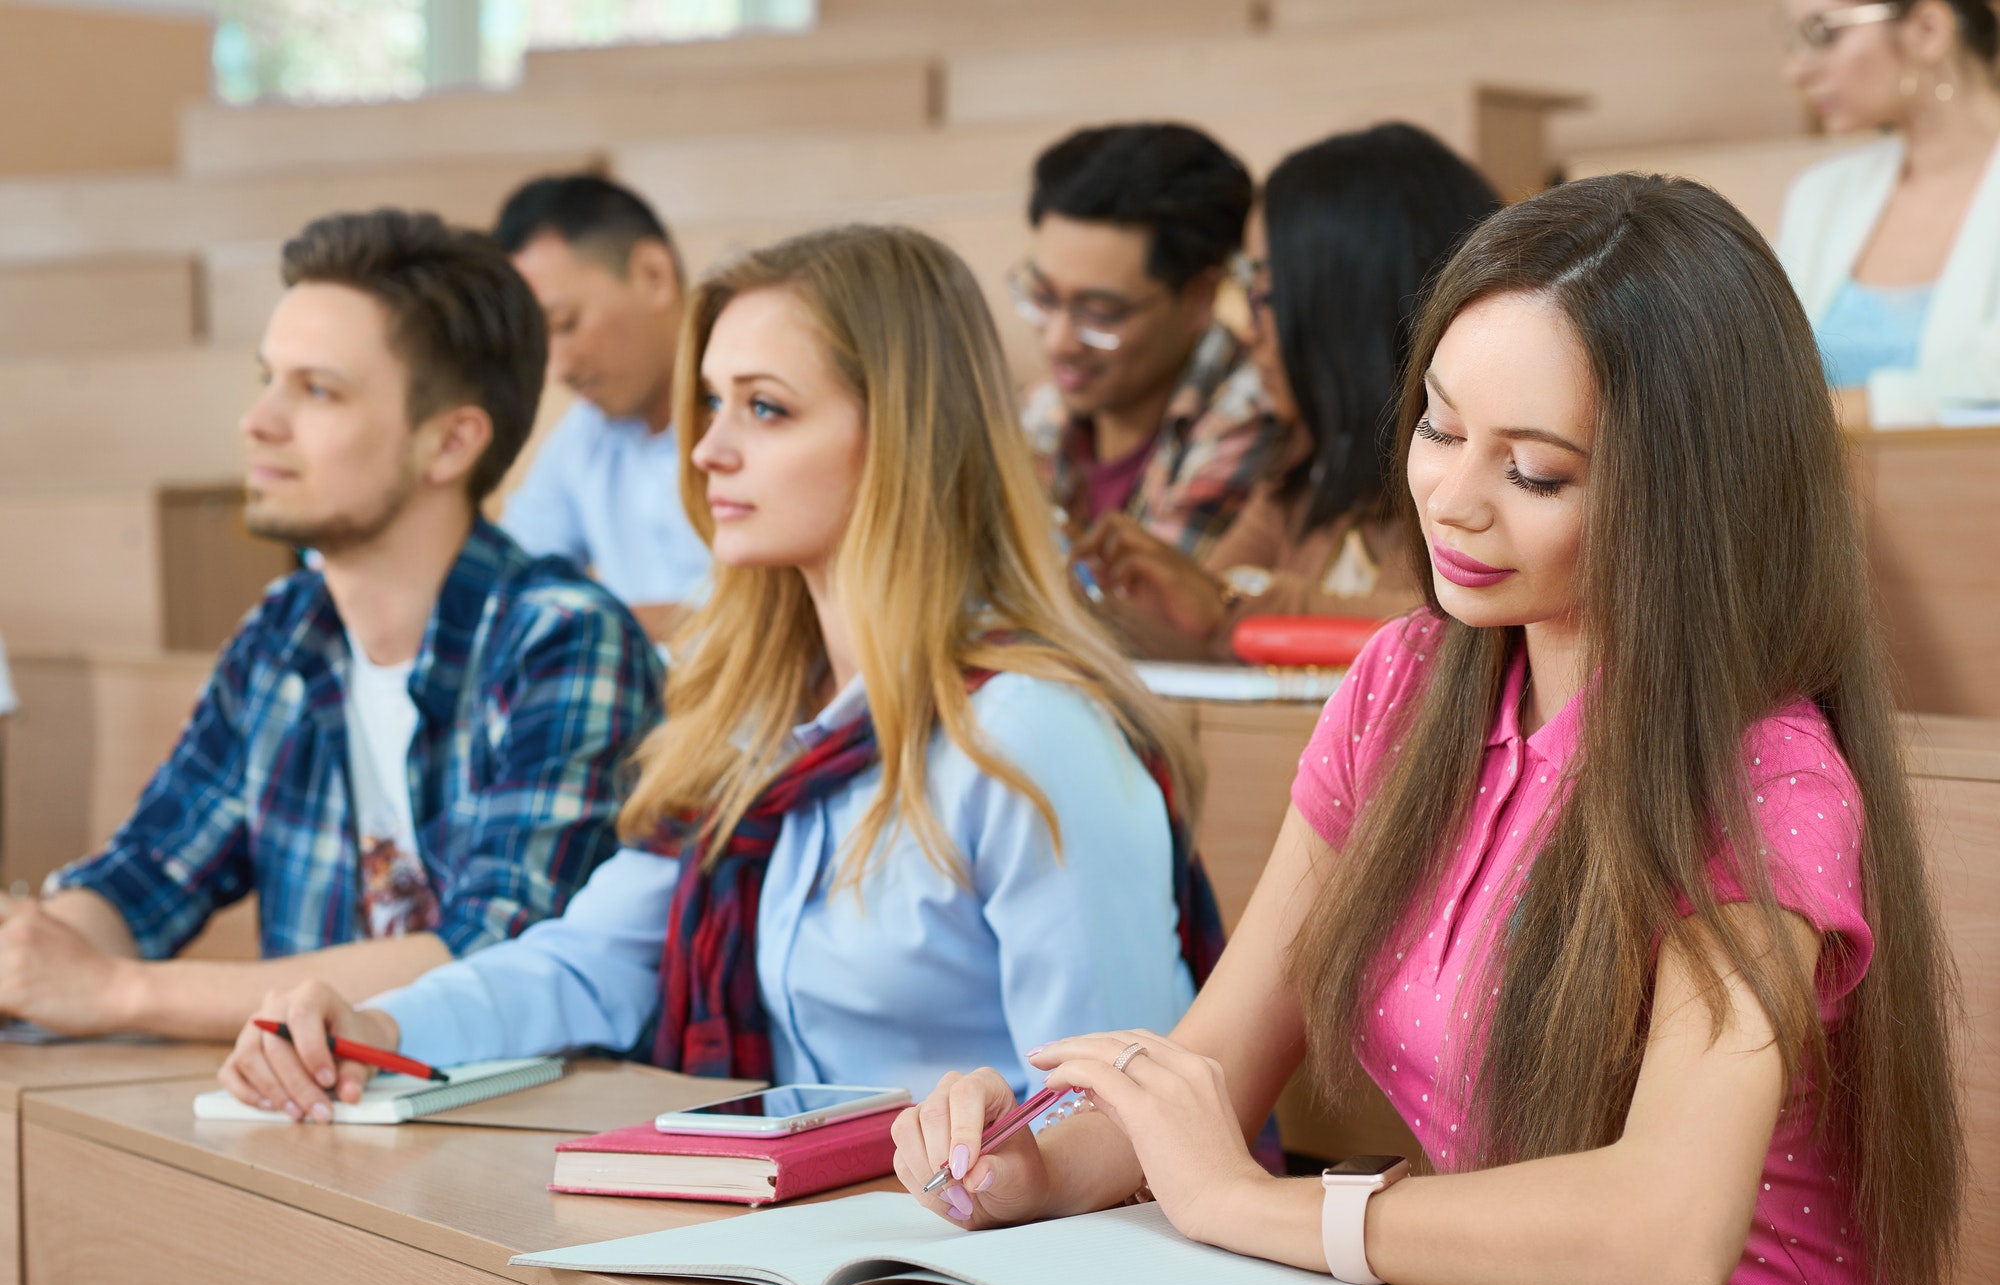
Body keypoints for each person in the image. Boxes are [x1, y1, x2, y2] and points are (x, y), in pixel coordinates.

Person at [894, 175, 1964, 1285]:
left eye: (1534, 471)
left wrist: (1254, 1206)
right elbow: (1207, 1067)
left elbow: (1663, 1231)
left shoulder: (1763, 777)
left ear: (1685, 497)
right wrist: (1026, 1167)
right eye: (1440, 428)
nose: (1449, 499)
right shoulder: (1404, 685)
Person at [221, 225, 1223, 1142]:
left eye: (764, 408)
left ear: (900, 438)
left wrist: (992, 1167)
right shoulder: (756, 718)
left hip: (986, 1254)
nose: (706, 451)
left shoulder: (1028, 734)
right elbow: (592, 961)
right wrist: (376, 1023)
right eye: (710, 402)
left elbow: (1123, 1114)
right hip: (806, 1232)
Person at [0, 210, 662, 1042]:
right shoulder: (286, 631)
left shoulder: (563, 639)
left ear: (451, 441)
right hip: (324, 1127)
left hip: (519, 1137)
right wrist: (31, 953)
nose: (260, 420)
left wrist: (121, 991)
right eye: (267, 379)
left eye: (317, 389)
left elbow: (500, 954)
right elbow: (143, 877)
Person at [1076, 123, 1500, 661]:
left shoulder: (1478, 478)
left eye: (1266, 296)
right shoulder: (1302, 472)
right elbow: (1201, 631)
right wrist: (1087, 596)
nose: (1248, 330)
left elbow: (1459, 638)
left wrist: (1236, 608)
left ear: (1349, 308)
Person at [1013, 123, 1273, 558]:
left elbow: (1137, 614)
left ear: (1198, 298)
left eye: (1099, 312)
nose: (1058, 343)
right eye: (1044, 297)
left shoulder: (1248, 415)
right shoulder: (1042, 411)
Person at [494, 175, 712, 640]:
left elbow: (781, 623)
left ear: (654, 275)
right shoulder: (586, 436)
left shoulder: (765, 418)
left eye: (565, 324)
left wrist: (589, 628)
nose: (556, 367)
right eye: (537, 341)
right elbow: (511, 579)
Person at [1779, 0, 2000, 427]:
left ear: (1928, 30)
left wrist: (1800, 423)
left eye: (1823, 32)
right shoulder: (1820, 195)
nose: (1795, 72)